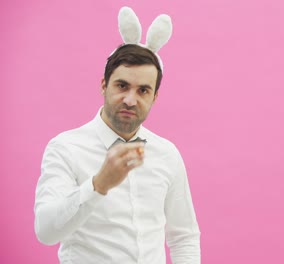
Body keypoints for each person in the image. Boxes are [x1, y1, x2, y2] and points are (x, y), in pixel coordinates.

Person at [34, 41, 201, 263]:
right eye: (122, 86)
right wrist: (98, 185)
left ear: (154, 97)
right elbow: (46, 231)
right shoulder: (65, 148)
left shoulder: (167, 154)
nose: (130, 100)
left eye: (143, 90)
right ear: (104, 85)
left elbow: (184, 237)